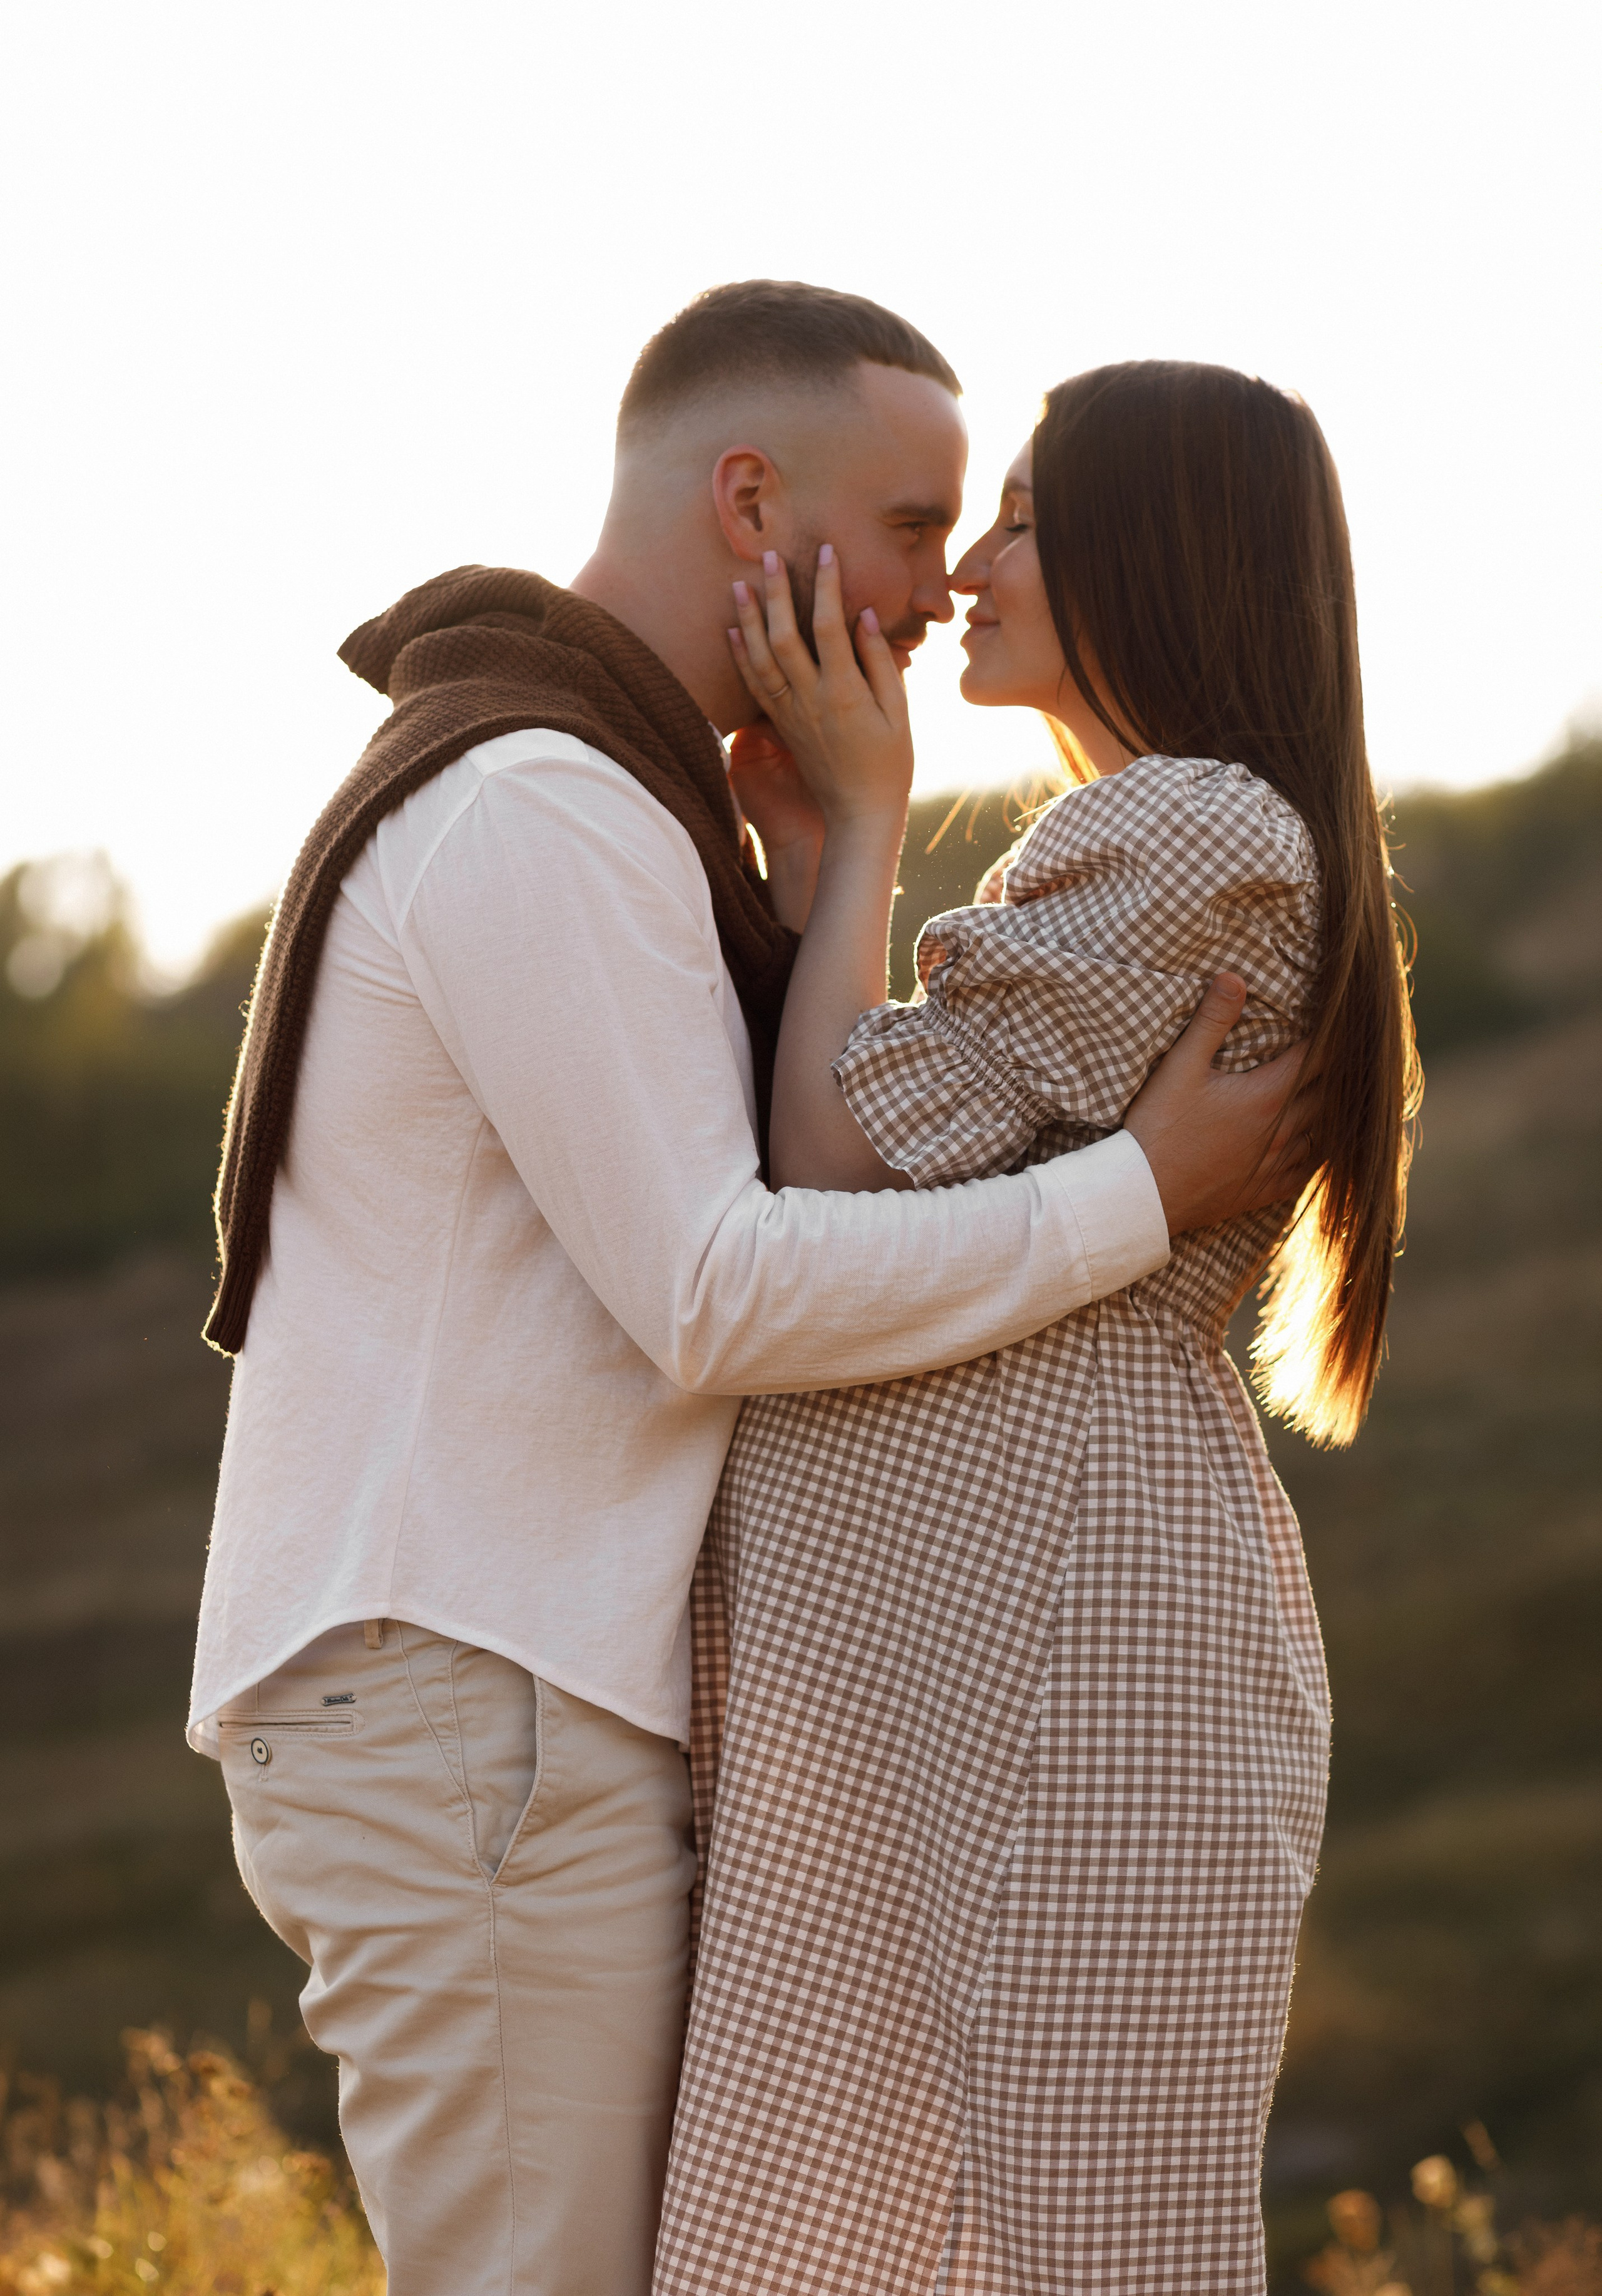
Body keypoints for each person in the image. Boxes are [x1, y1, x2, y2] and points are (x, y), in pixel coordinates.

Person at [185, 288, 1312, 2296]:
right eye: (915, 522)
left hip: (510, 1690)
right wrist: (1137, 1196)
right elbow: (717, 1282)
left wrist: (815, 888)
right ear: (748, 500)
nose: (938, 583)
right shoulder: (544, 803)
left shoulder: (615, 802)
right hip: (475, 1692)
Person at [656, 361, 1418, 2295]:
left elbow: (834, 1157)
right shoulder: (1167, 840)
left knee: (1016, 2239)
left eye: (1017, 518)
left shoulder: (1192, 833)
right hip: (1016, 1623)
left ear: (1149, 553)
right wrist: (831, 860)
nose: (966, 572)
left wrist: (865, 815)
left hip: (1055, 1635)